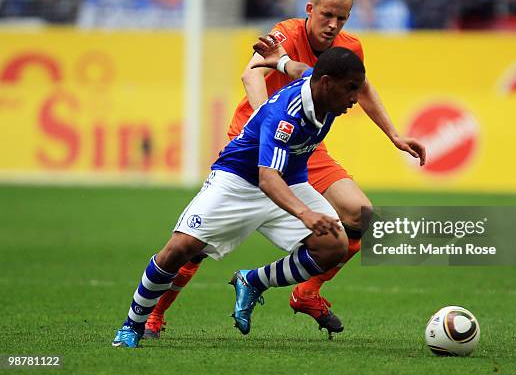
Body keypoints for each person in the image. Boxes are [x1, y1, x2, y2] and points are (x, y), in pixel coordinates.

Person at [144, 0, 426, 340]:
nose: (334, 25)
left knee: (360, 215)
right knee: (196, 243)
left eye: (342, 18)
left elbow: (364, 87)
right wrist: (266, 121)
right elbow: (251, 73)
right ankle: (154, 316)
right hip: (253, 143)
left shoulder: (348, 48)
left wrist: (394, 134)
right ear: (310, 10)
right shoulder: (285, 35)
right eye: (327, 15)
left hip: (305, 147)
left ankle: (307, 292)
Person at [112, 44, 366, 348]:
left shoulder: (321, 86)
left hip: (289, 180)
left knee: (333, 245)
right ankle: (131, 325)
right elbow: (267, 179)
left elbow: (303, 70)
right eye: (351, 89)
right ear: (327, 83)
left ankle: (253, 281)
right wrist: (305, 214)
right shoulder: (287, 114)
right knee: (179, 249)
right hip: (239, 180)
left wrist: (283, 62)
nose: (355, 98)